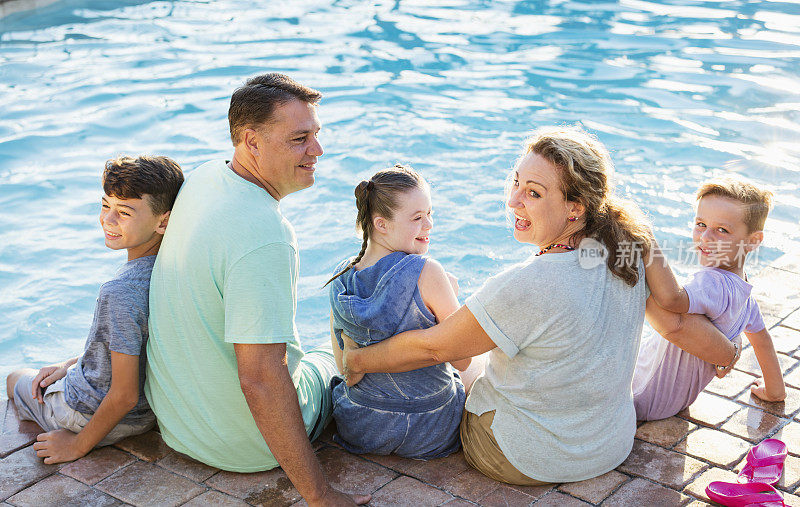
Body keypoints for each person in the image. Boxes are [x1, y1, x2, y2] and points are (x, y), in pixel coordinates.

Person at [342, 126, 740, 485]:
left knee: (464, 364)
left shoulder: (528, 284)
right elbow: (674, 324)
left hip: (524, 458)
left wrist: (359, 361)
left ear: (575, 208)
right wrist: (727, 351)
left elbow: (435, 347)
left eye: (533, 193)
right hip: (609, 444)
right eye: (515, 183)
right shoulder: (628, 245)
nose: (514, 201)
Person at [144, 73, 369, 506]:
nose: (317, 151)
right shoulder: (266, 236)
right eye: (300, 139)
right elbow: (261, 379)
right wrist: (320, 495)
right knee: (337, 354)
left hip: (178, 425)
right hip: (243, 447)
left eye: (316, 136)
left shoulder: (204, 178)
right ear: (252, 141)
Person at [6, 155, 183, 464]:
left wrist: (77, 446)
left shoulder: (119, 292)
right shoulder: (172, 271)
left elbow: (124, 394)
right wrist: (69, 365)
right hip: (148, 413)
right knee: (53, 373)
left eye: (124, 212)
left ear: (163, 221)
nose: (108, 220)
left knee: (15, 378)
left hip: (89, 412)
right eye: (105, 206)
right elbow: (133, 345)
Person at [326, 165, 471, 459]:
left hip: (361, 426)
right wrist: (449, 293)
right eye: (417, 218)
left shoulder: (340, 279)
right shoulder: (428, 272)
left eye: (430, 214)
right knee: (480, 360)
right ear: (381, 224)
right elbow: (463, 359)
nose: (429, 225)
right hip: (429, 429)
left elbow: (344, 367)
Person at [634, 176, 785, 421]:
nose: (705, 238)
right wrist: (775, 391)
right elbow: (763, 342)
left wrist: (645, 240)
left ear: (753, 241)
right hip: (674, 402)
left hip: (641, 396)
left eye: (722, 230)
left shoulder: (711, 283)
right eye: (701, 224)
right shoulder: (745, 298)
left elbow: (672, 299)